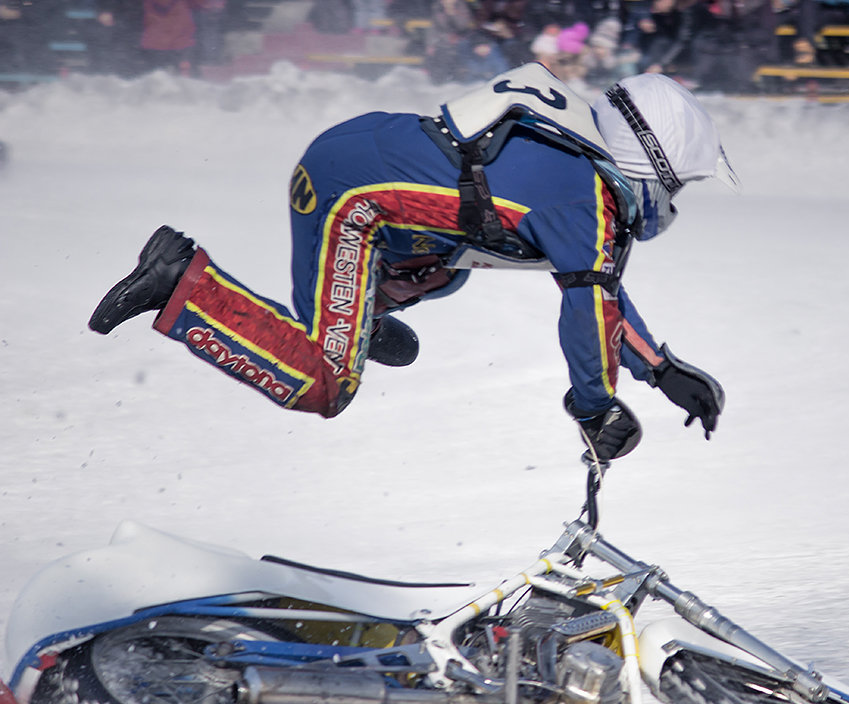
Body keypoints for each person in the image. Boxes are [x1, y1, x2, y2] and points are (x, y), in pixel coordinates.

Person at [87, 64, 735, 462]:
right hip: (355, 203)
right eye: (677, 183)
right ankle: (181, 287)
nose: (672, 199)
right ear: (650, 163)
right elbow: (590, 311)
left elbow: (600, 289)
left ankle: (357, 314)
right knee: (323, 381)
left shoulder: (571, 163)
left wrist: (662, 370)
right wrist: (595, 409)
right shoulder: (584, 196)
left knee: (452, 265)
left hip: (355, 164)